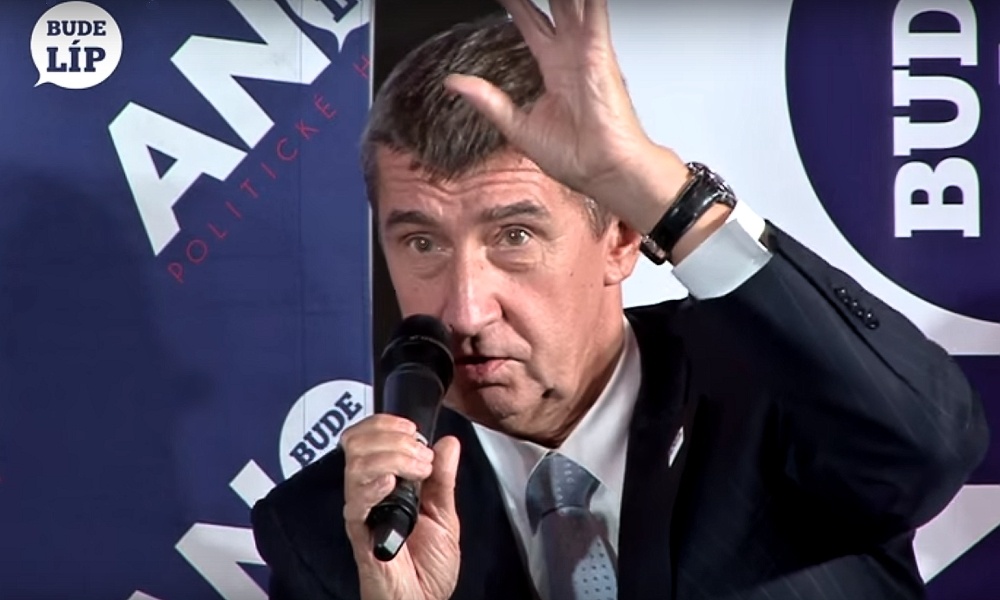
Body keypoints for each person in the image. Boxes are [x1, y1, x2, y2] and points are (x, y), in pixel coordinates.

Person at [250, 1, 989, 598]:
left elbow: (926, 444)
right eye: (422, 243)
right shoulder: (339, 531)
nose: (466, 311)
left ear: (623, 238)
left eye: (514, 236)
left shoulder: (778, 386)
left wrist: (664, 194)